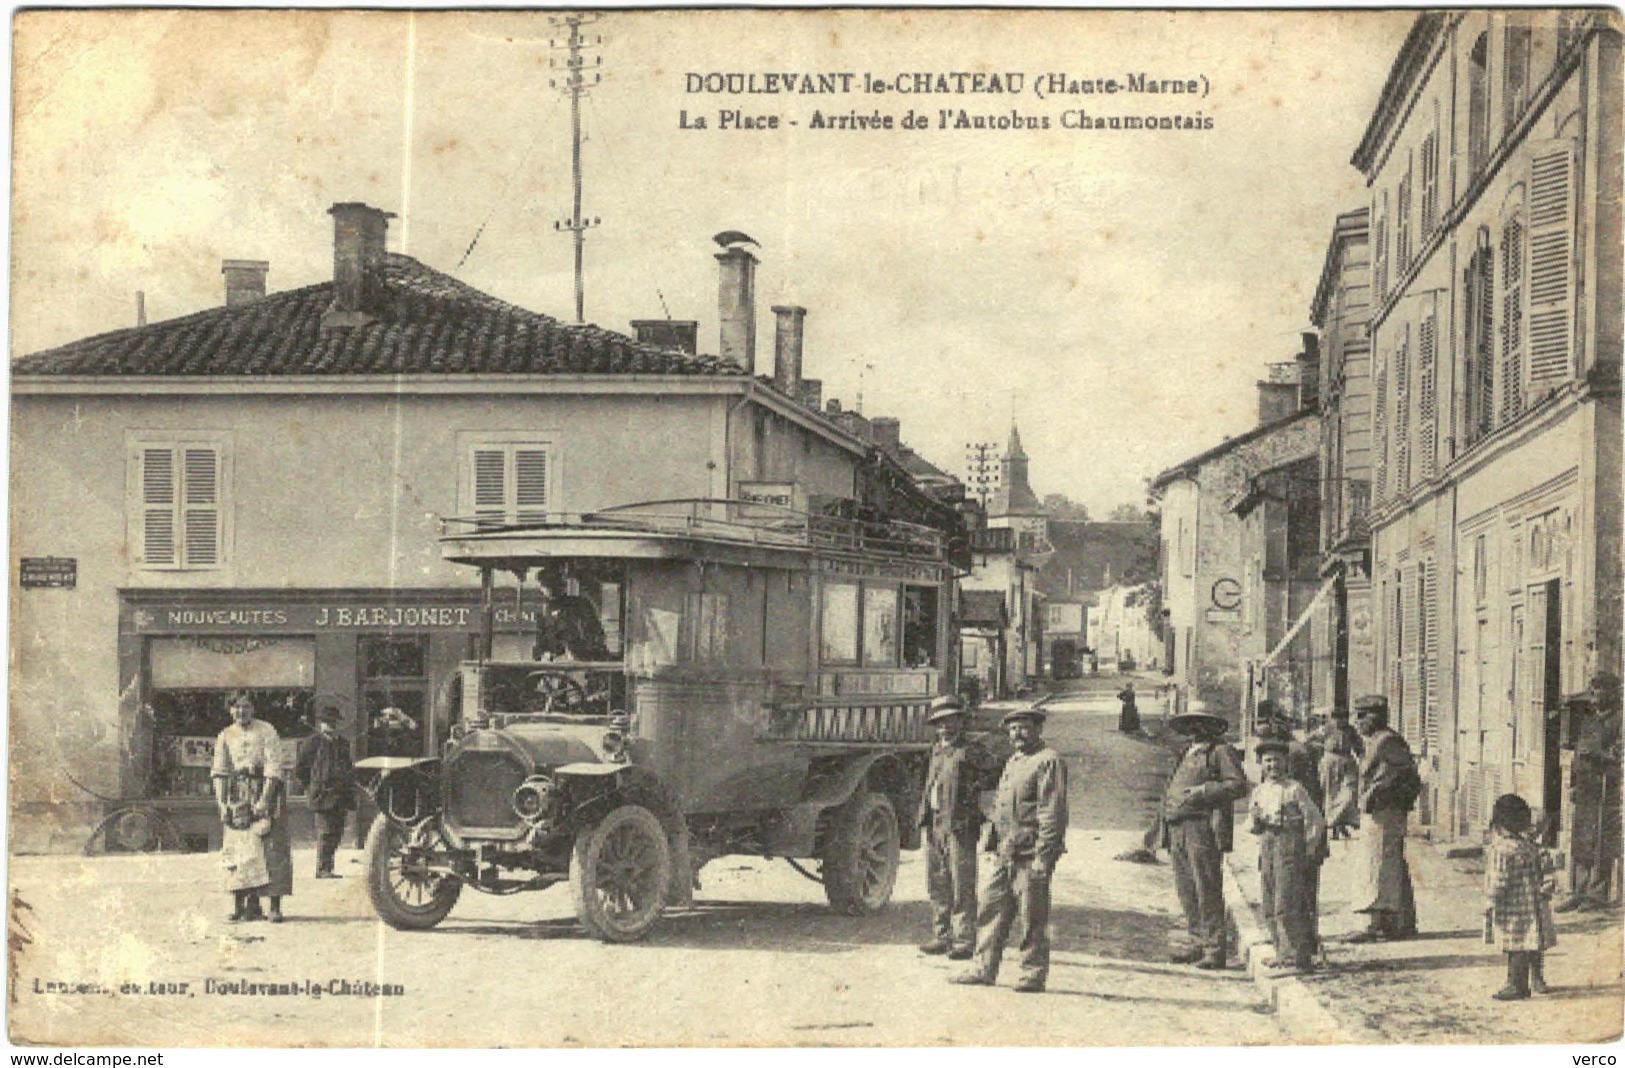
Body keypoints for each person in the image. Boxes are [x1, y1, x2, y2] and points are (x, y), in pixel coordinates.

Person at [951, 707, 1068, 993]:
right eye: (1013, 729)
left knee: (1032, 916)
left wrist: (1044, 856)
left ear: (1038, 729)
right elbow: (1001, 806)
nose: (1018, 734)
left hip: (1030, 854)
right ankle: (984, 967)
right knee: (991, 909)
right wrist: (993, 842)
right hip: (1006, 851)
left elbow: (1052, 812)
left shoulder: (1048, 761)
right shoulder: (1014, 761)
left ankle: (1032, 973)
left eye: (1024, 727)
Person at [1160, 710, 1249, 968]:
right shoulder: (1187, 751)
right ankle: (1197, 943)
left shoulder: (1220, 751)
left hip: (1202, 827)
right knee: (1187, 889)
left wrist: (1205, 791)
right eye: (1191, 723)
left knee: (1206, 887)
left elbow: (1238, 785)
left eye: (1202, 722)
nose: (1196, 728)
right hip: (1177, 826)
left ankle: (1214, 950)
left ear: (1212, 726)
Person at [916, 695, 997, 960]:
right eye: (940, 723)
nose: (946, 727)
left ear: (961, 722)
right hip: (935, 822)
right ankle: (942, 935)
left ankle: (964, 940)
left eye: (951, 721)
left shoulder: (972, 750)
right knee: (937, 882)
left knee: (962, 884)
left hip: (960, 825)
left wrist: (972, 800)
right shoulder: (936, 749)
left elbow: (993, 777)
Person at [212, 693, 293, 923]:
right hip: (237, 792)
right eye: (236, 707)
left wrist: (265, 798)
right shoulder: (225, 735)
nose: (241, 712)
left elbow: (273, 765)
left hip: (266, 788)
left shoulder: (267, 730)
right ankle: (243, 905)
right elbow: (219, 771)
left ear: (253, 708)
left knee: (271, 847)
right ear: (230, 710)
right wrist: (222, 803)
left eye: (246, 707)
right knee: (239, 848)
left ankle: (274, 905)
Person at [1345, 694, 1419, 943]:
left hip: (1386, 811)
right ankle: (1398, 922)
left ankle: (1374, 924)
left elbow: (1404, 775)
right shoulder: (1376, 740)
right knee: (1387, 863)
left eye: (1361, 716)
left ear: (1374, 716)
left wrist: (1378, 793)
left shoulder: (1388, 741)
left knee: (1379, 864)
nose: (1357, 721)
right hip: (1380, 811)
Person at [1250, 738, 1327, 973]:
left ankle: (1299, 956)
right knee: (1270, 901)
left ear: (1285, 763)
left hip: (1290, 846)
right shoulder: (1260, 790)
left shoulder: (1294, 789)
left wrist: (1309, 847)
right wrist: (1256, 821)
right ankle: (1281, 952)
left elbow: (1316, 820)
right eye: (1267, 761)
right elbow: (1252, 825)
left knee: (1288, 901)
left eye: (1277, 760)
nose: (1272, 765)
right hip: (1268, 845)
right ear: (1261, 765)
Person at [1556, 673, 1621, 912]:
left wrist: (1598, 756)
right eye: (1591, 692)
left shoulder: (1619, 721)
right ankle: (1578, 891)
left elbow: (1618, 754)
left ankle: (1597, 894)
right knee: (1581, 839)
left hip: (1607, 787)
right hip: (1585, 786)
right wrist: (1573, 783)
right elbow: (1577, 752)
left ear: (1612, 693)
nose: (1593, 698)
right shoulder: (1590, 720)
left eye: (1598, 692)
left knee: (1602, 839)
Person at [1484, 794, 1558, 1000]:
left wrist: (1491, 900)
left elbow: (1499, 880)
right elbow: (1545, 874)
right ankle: (1528, 981)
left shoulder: (1501, 850)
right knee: (1528, 944)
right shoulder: (1530, 847)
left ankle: (1516, 985)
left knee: (1515, 947)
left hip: (1512, 907)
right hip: (1531, 905)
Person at [295, 704, 356, 879]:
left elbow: (348, 767)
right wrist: (311, 786)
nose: (331, 725)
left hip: (340, 794)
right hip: (322, 794)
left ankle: (328, 866)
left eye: (334, 722)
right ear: (320, 723)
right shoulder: (311, 743)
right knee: (326, 831)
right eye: (327, 722)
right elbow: (300, 769)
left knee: (337, 832)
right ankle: (322, 869)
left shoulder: (343, 744)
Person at [533, 571, 611, 661]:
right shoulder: (544, 612)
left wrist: (577, 652)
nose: (550, 589)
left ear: (563, 586)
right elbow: (539, 644)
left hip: (584, 663)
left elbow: (596, 635)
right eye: (546, 585)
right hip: (556, 667)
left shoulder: (580, 605)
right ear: (541, 588)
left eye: (554, 584)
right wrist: (544, 654)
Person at [1312, 708, 1363, 839]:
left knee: (1349, 793)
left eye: (1344, 718)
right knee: (1330, 793)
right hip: (1330, 761)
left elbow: (1358, 747)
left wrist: (1362, 759)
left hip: (1347, 760)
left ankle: (1339, 823)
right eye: (1337, 718)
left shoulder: (1350, 730)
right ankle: (1334, 827)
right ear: (1332, 718)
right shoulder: (1326, 728)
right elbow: (1311, 740)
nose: (1340, 721)